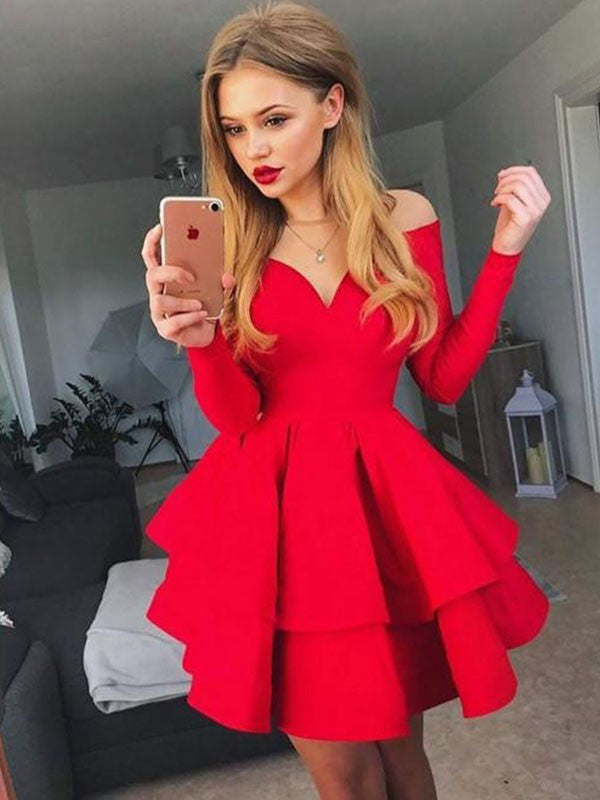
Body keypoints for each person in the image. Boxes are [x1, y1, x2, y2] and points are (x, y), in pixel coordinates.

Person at [140, 2, 552, 798]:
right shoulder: (230, 244)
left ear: (332, 106)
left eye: (274, 119)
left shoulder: (405, 219)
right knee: (350, 780)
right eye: (234, 129)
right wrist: (201, 341)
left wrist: (505, 253)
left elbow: (441, 378)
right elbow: (236, 419)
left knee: (405, 762)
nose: (254, 149)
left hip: (384, 505)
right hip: (281, 519)